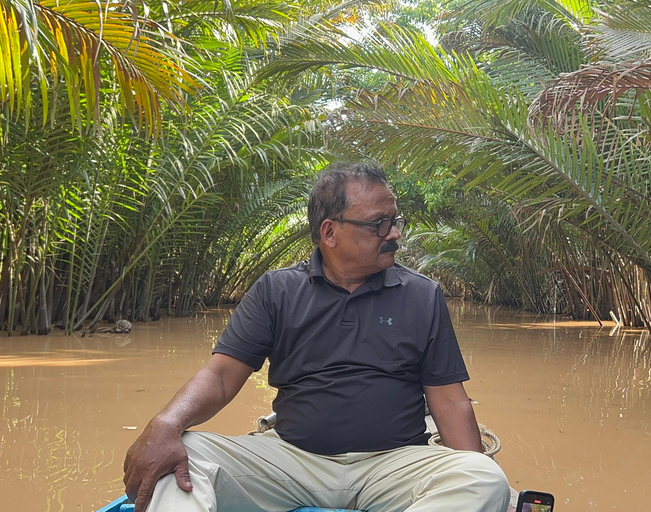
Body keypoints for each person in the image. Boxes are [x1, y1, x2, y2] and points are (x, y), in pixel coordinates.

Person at [123, 162, 511, 512]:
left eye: (396, 220)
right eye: (380, 223)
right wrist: (166, 423)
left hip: (392, 464)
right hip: (290, 461)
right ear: (330, 232)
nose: (394, 233)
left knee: (483, 477)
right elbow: (222, 376)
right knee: (180, 454)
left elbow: (448, 399)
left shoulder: (422, 295)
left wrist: (476, 474)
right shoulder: (277, 290)